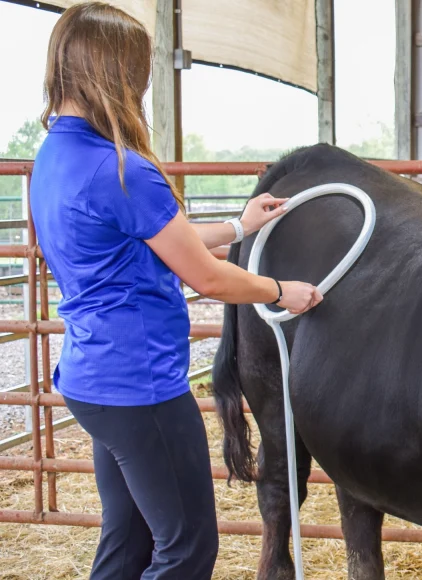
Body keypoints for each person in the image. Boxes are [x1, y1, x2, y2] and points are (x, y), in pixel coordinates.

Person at [29, 3, 323, 578]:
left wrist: (239, 226)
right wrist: (278, 289)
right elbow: (205, 276)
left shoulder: (55, 157)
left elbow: (160, 240)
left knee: (128, 540)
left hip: (94, 382)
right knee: (186, 549)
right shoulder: (121, 170)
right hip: (142, 389)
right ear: (118, 73)